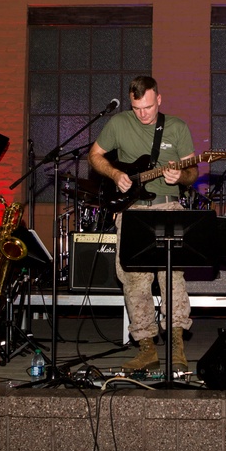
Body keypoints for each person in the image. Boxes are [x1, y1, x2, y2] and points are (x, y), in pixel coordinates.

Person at [88, 76, 198, 372]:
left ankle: (176, 350)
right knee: (134, 282)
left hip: (168, 208)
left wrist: (181, 177)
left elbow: (192, 171)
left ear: (158, 99)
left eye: (148, 107)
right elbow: (95, 156)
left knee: (172, 278)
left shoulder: (177, 127)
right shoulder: (119, 124)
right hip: (132, 211)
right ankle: (147, 350)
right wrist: (113, 174)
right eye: (137, 108)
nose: (143, 114)